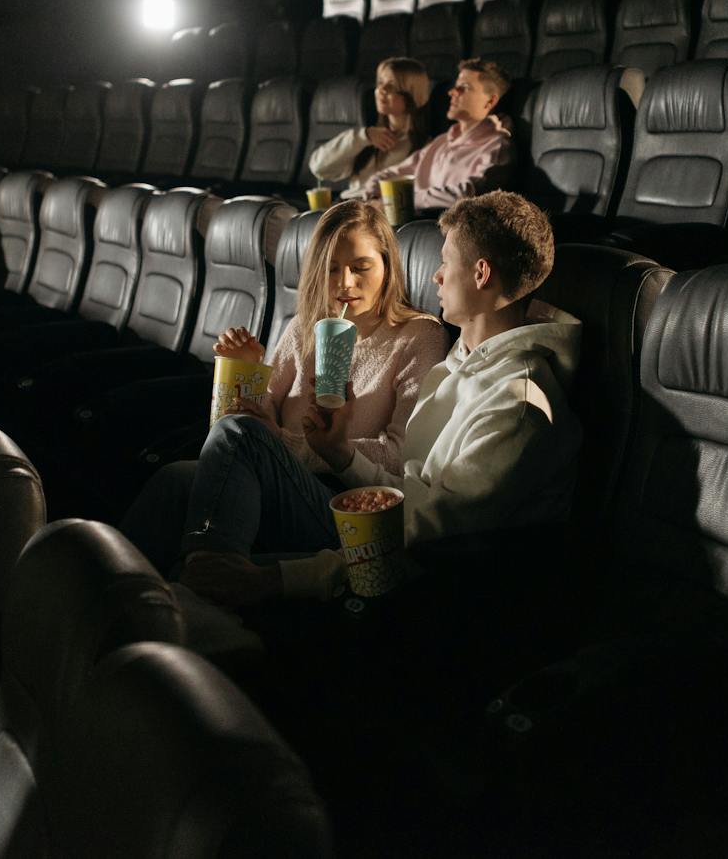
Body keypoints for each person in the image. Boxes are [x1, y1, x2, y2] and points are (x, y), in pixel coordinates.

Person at [177, 190, 582, 605]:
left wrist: (278, 578)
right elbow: (409, 493)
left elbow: (426, 538)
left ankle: (203, 597)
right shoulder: (462, 361)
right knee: (178, 493)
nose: (435, 276)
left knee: (223, 498)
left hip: (409, 585)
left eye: (445, 262)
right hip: (368, 528)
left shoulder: (517, 406)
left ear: (480, 274)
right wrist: (338, 453)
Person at [119, 199, 448, 573]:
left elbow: (399, 455)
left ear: (388, 268)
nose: (345, 283)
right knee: (174, 479)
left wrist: (288, 444)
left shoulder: (419, 335)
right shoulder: (305, 327)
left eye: (361, 268)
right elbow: (246, 423)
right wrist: (243, 373)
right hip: (275, 474)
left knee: (217, 455)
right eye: (332, 270)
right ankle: (115, 590)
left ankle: (209, 573)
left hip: (341, 497)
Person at [357, 59, 516, 211]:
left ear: (490, 101)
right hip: (413, 225)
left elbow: (468, 195)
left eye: (464, 88)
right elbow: (394, 173)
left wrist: (401, 199)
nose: (452, 92)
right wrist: (372, 192)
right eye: (455, 86)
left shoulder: (497, 147)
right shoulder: (442, 141)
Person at [307, 57, 433, 193]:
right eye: (380, 83)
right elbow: (319, 168)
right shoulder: (367, 137)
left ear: (413, 94)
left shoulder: (425, 146)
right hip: (349, 207)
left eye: (392, 86)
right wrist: (363, 136)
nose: (381, 90)